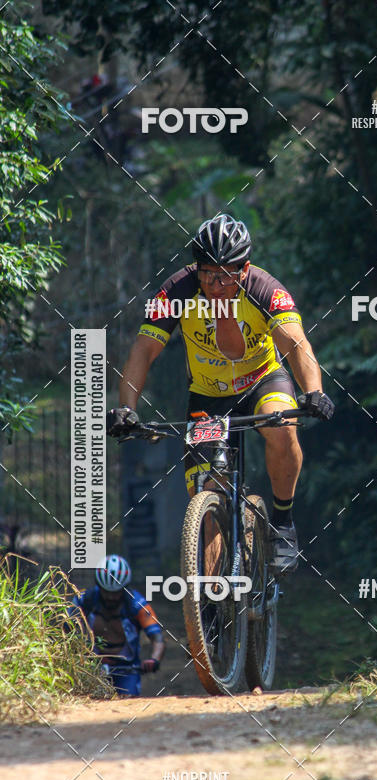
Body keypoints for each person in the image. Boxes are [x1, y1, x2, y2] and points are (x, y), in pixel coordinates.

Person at [107, 213, 335, 574]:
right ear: (196, 268)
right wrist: (126, 407)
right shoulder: (177, 290)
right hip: (208, 397)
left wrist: (314, 392)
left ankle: (283, 523)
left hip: (262, 381)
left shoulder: (266, 290)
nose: (216, 282)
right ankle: (210, 601)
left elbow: (296, 345)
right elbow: (143, 350)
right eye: (207, 271)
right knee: (206, 495)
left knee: (283, 427)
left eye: (227, 272)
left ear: (244, 269)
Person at [71, 554, 165, 698]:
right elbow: (63, 627)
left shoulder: (137, 604)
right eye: (106, 592)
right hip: (91, 667)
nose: (111, 597)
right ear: (98, 586)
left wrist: (154, 659)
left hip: (127, 669)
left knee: (129, 703)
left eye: (116, 593)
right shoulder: (84, 599)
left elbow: (157, 638)